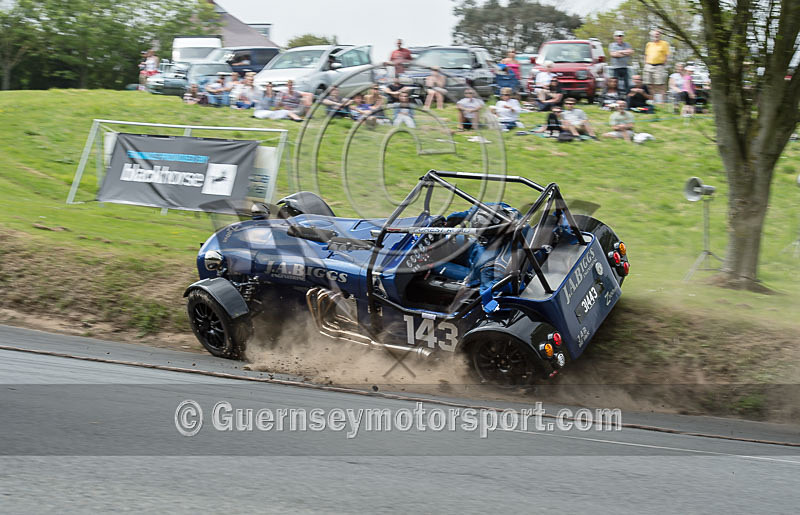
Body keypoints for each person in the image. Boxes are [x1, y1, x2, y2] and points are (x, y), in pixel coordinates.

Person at [644, 29, 670, 103]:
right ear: (652, 35)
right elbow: (646, 55)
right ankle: (653, 101)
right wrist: (645, 64)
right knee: (649, 85)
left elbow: (667, 55)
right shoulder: (649, 44)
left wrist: (663, 65)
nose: (656, 35)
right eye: (655, 34)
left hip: (659, 66)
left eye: (658, 34)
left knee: (660, 84)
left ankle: (662, 102)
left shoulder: (664, 43)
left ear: (660, 35)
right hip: (649, 66)